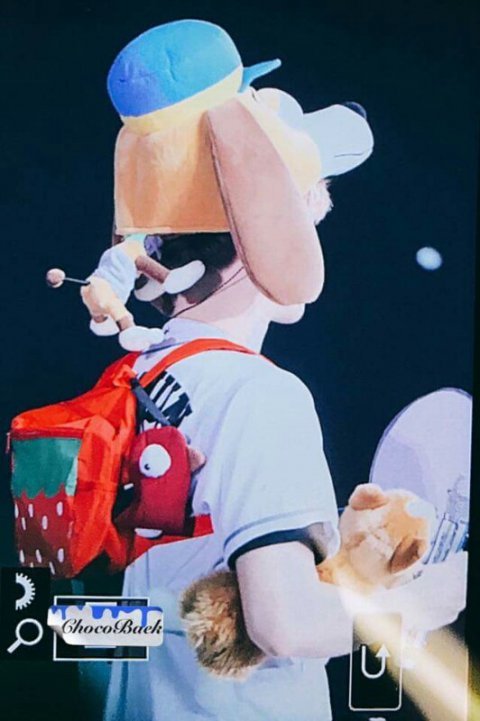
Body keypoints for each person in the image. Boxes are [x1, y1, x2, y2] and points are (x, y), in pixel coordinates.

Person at [104, 230, 467, 721]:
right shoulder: (259, 393)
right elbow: (286, 625)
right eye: (295, 230)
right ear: (250, 249)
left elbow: (176, 575)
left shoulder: (143, 374)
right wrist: (428, 599)